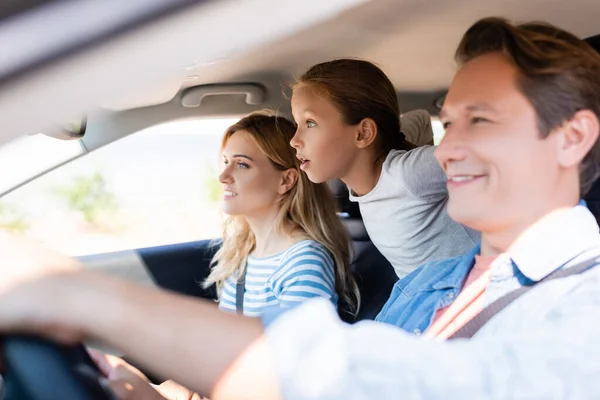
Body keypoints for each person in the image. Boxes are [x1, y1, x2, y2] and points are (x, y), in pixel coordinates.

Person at [1, 16, 600, 399]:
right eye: (448, 123)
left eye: (482, 120)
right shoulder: (436, 281)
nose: (449, 149)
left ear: (573, 138)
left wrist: (82, 297)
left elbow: (384, 381)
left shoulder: (584, 304)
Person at [290, 59, 479, 277]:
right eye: (297, 124)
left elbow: (486, 152)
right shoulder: (382, 176)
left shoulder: (407, 174)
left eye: (310, 123)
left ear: (362, 134)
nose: (294, 140)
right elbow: (420, 118)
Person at [204, 111, 358, 317]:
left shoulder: (304, 262)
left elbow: (292, 348)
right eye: (225, 162)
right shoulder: (241, 253)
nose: (223, 176)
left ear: (286, 181)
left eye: (242, 164)